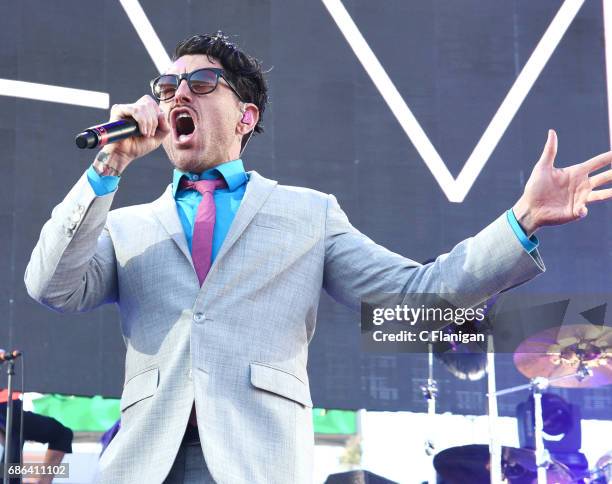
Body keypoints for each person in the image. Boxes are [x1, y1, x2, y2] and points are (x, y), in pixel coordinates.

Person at [23, 31, 612, 483]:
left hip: (259, 463)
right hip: (144, 464)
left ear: (246, 116)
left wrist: (524, 220)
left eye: (200, 84)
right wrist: (109, 165)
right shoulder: (126, 224)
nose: (177, 94)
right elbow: (49, 286)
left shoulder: (308, 215)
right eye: (166, 87)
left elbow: (417, 298)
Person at [0, 390, 73, 484]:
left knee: (62, 434)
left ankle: (43, 481)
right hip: (6, 405)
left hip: (10, 403)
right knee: (14, 436)